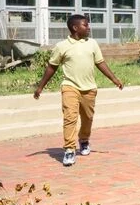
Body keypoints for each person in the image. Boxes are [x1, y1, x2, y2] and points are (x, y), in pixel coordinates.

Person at [33, 14, 124, 166]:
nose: (89, 28)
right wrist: (40, 87)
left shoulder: (92, 43)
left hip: (89, 88)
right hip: (70, 86)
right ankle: (69, 150)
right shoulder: (62, 46)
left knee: (88, 118)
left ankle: (84, 139)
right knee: (70, 118)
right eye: (85, 25)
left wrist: (114, 79)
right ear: (75, 28)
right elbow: (52, 67)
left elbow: (100, 63)